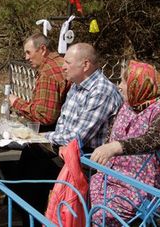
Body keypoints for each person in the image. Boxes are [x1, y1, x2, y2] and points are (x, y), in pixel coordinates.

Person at [8, 43, 123, 226]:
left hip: (88, 160)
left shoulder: (101, 91)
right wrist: (44, 140)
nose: (63, 66)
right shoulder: (77, 86)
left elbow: (78, 137)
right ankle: (31, 216)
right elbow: (63, 126)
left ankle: (35, 218)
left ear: (85, 65)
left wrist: (43, 138)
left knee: (30, 172)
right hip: (67, 151)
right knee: (21, 163)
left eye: (68, 62)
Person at [90, 60, 160, 226]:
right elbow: (111, 134)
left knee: (103, 215)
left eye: (123, 81)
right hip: (110, 177)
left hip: (138, 188)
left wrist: (116, 147)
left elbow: (153, 139)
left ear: (138, 84)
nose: (119, 86)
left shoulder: (157, 110)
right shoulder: (127, 105)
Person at [10, 33, 71, 132]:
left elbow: (44, 116)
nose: (26, 58)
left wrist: (16, 102)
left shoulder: (47, 74)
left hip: (55, 134)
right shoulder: (61, 62)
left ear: (42, 50)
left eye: (28, 52)